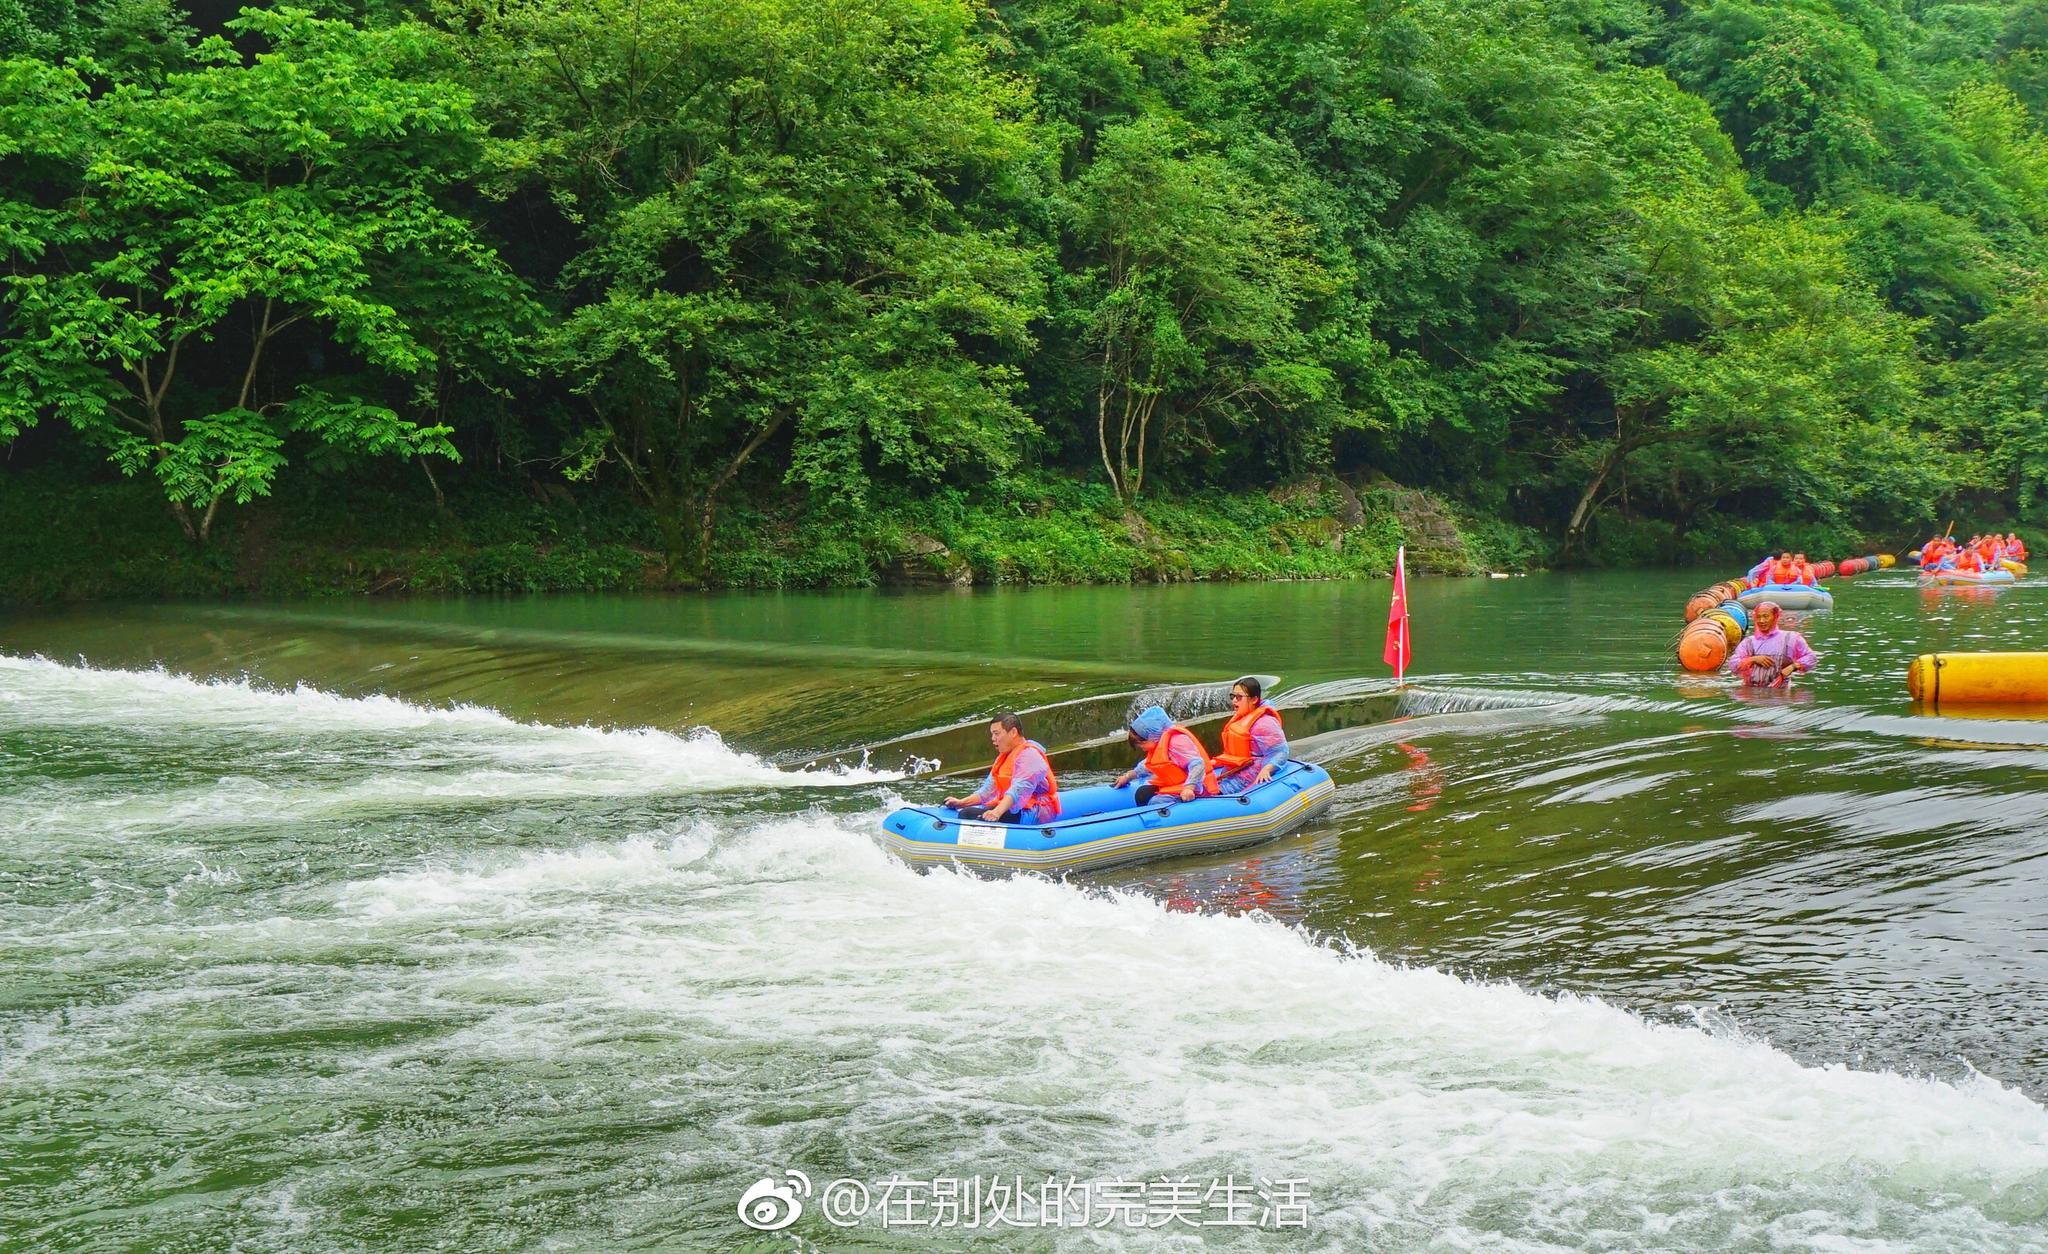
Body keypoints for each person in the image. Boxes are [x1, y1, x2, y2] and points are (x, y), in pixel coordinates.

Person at [943, 713, 1059, 824]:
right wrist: (961, 802)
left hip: (1034, 812)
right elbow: (987, 791)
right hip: (1015, 809)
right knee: (967, 812)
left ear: (1013, 732)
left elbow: (1019, 789)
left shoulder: (1030, 755)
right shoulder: (1004, 757)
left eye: (996, 733)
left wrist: (996, 812)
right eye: (992, 734)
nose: (993, 738)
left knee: (967, 814)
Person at [1114, 705, 1218, 804]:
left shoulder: (1178, 742)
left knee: (1157, 802)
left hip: (1198, 788)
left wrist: (1189, 787)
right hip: (1179, 786)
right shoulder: (1160, 744)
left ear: (1153, 735)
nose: (1141, 747)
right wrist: (1128, 776)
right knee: (1143, 793)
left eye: (1142, 743)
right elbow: (1146, 766)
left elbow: (1197, 765)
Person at [1211, 677, 1289, 795]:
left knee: (1218, 793)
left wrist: (1267, 769)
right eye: (1233, 697)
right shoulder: (1242, 718)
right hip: (1236, 770)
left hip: (1250, 773)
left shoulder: (1265, 723)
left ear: (1253, 699)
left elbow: (1280, 752)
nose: (1234, 701)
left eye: (1239, 697)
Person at [1729, 601, 1817, 688]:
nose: (1761, 621)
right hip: (1751, 692)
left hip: (1780, 692)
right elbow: (1733, 665)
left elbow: (1811, 657)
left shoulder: (1791, 638)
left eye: (1766, 616)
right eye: (1758, 617)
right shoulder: (1748, 642)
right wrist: (1752, 659)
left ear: (1775, 617)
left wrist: (1793, 666)